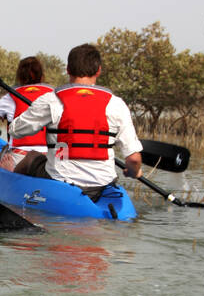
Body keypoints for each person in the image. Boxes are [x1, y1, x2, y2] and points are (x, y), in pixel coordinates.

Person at [9, 43, 142, 194]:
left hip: (60, 181)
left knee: (32, 156)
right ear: (98, 71)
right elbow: (134, 159)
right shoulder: (117, 104)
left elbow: (15, 131)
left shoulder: (51, 100)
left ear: (68, 69)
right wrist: (134, 172)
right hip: (103, 184)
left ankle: (14, 193)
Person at [0, 56, 55, 175]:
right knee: (5, 148)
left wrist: (4, 114)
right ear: (41, 75)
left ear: (20, 76)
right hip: (48, 156)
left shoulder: (11, 96)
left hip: (19, 155)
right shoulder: (54, 94)